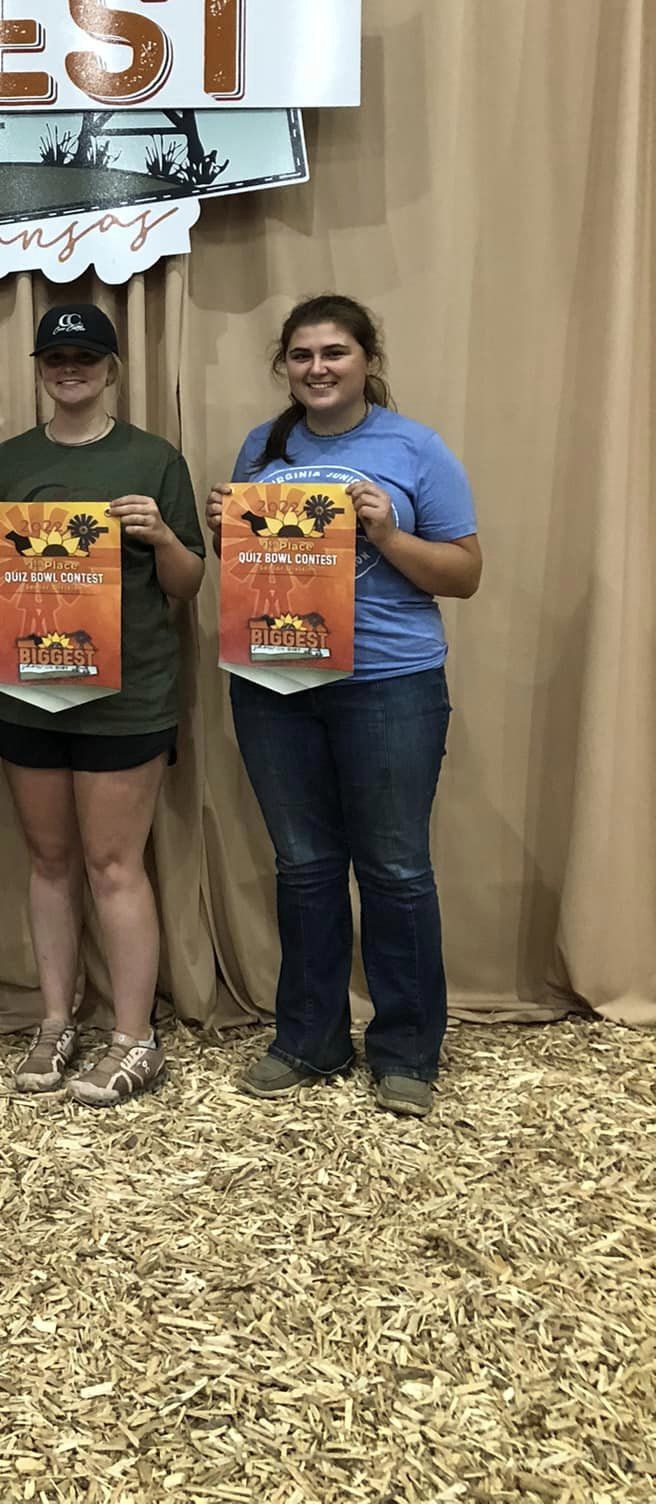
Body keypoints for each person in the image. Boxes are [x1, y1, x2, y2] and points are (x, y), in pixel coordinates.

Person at [207, 293, 481, 1121]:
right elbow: (252, 568)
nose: (317, 368)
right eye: (302, 355)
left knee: (395, 869)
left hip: (389, 682)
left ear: (367, 361)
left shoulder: (415, 447)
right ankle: (310, 1040)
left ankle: (407, 1051)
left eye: (334, 353)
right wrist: (227, 530)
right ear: (284, 366)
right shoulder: (263, 447)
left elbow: (465, 573)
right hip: (275, 681)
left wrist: (388, 534)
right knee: (304, 867)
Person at [0, 304, 205, 1107]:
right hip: (29, 691)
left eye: (85, 357)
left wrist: (163, 536)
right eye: (57, 357)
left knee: (113, 864)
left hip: (127, 699)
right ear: (39, 367)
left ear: (111, 369)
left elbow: (188, 583)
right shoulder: (7, 461)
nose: (71, 369)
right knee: (49, 862)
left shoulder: (155, 459)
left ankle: (135, 1038)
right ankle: (56, 1020)